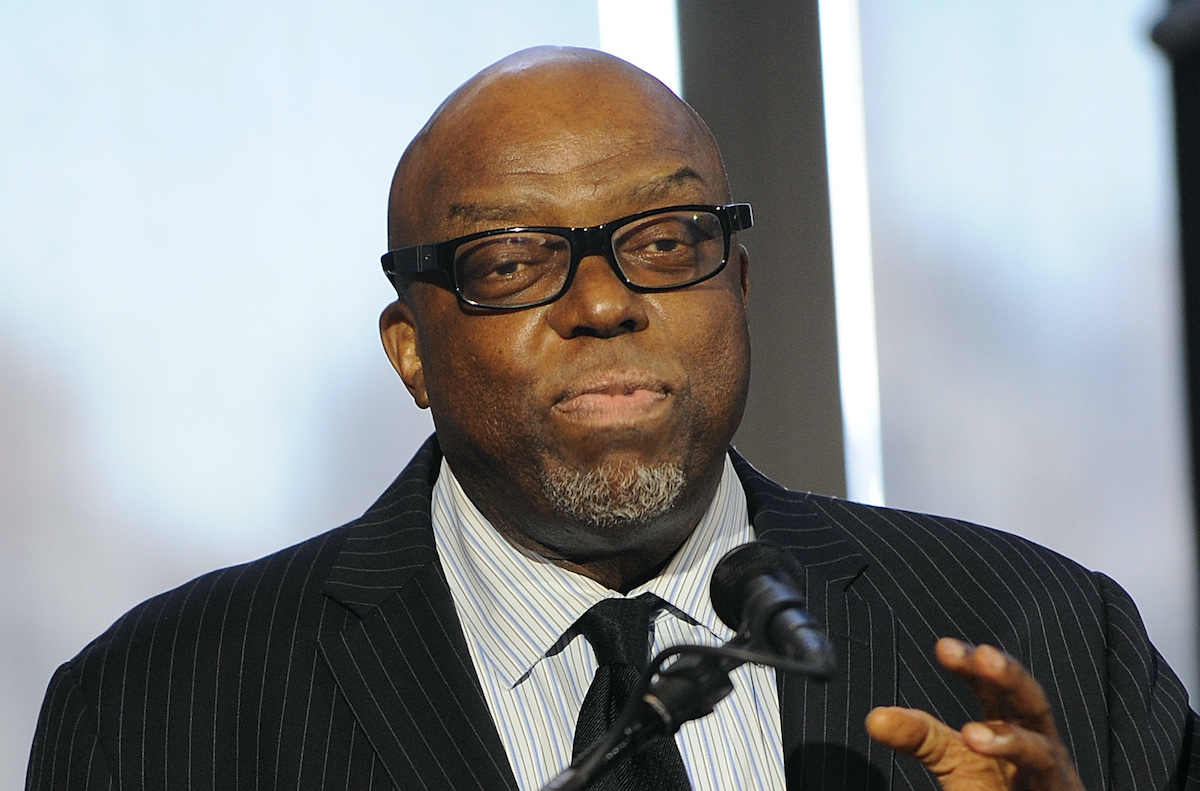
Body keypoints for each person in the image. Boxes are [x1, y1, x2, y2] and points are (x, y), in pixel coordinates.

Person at [25, 46, 1200, 791]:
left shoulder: (1049, 633)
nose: (602, 302)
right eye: (511, 260)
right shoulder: (158, 707)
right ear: (410, 349)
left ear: (739, 284)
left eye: (665, 240)